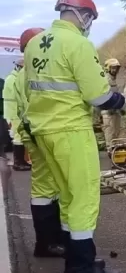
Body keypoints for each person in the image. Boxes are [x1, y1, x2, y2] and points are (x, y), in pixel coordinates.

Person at [23, 0, 126, 272]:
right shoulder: (79, 44)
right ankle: (82, 266)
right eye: (90, 16)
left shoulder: (33, 45)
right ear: (81, 14)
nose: (89, 22)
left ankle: (73, 257)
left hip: (44, 132)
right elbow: (99, 96)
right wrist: (121, 100)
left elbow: (28, 91)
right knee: (83, 198)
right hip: (71, 130)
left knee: (67, 196)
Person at [15, 27, 66, 258]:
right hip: (37, 131)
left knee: (48, 186)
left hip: (34, 130)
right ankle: (47, 244)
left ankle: (49, 241)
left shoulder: (26, 73)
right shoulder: (30, 74)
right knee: (45, 187)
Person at [3, 59, 31, 170]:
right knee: (18, 137)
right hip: (15, 112)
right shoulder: (15, 80)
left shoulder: (11, 78)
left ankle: (20, 161)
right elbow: (22, 97)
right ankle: (19, 163)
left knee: (18, 136)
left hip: (12, 112)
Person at [102, 58, 125, 153]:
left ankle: (115, 150)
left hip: (116, 110)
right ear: (108, 68)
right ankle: (110, 150)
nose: (115, 70)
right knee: (109, 131)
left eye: (116, 68)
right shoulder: (104, 80)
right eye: (113, 68)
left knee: (116, 131)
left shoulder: (116, 80)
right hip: (108, 110)